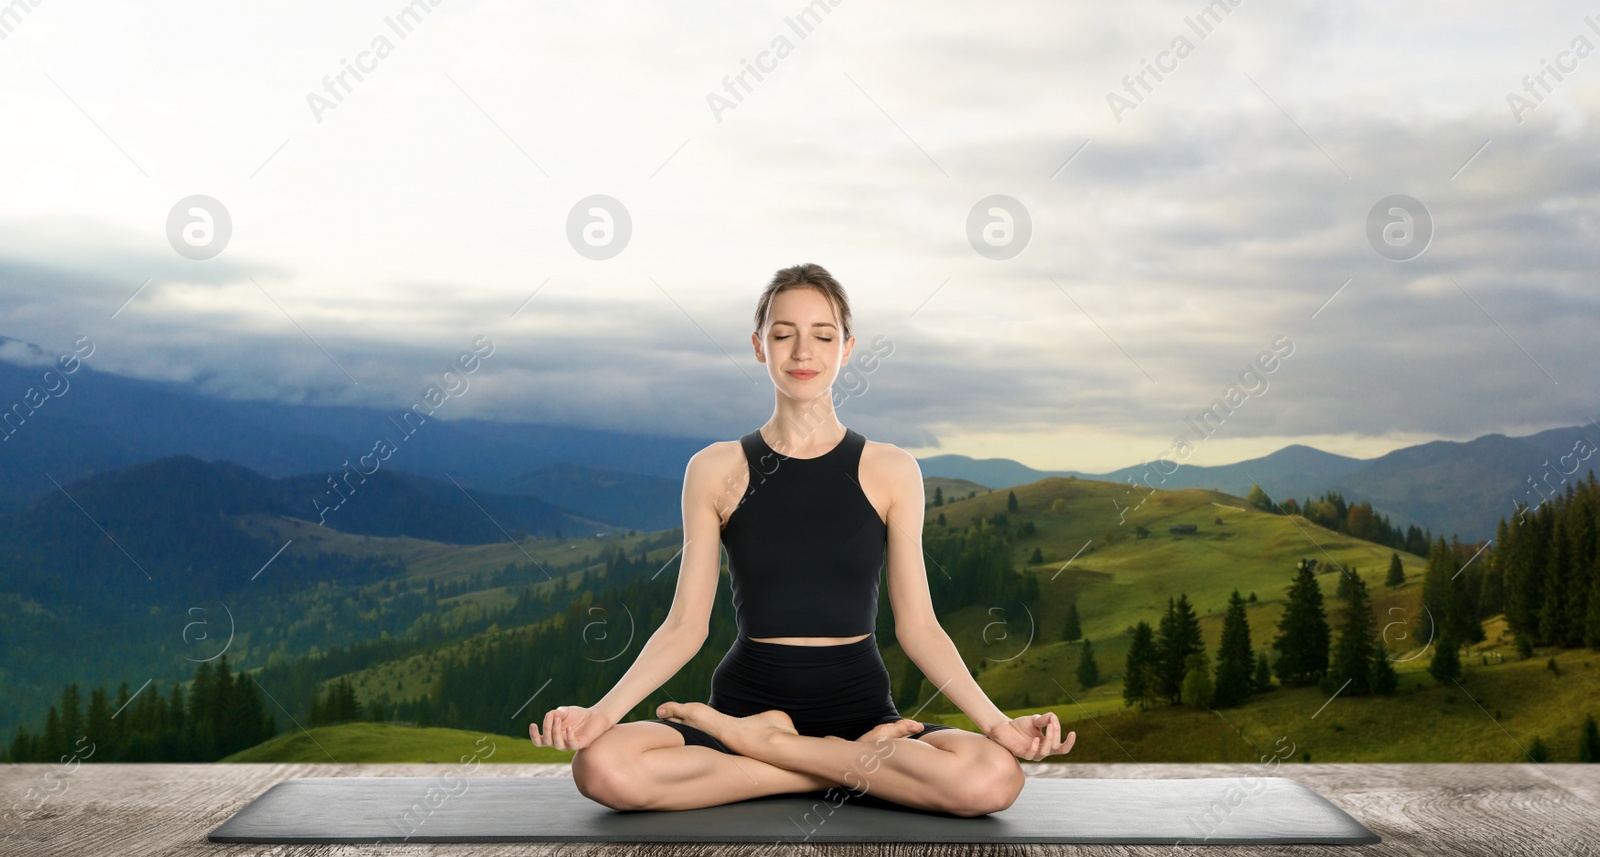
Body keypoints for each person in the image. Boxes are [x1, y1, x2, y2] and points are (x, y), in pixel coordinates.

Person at [530, 263, 1075, 815]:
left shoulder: (891, 469)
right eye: (783, 334)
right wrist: (601, 714)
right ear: (758, 346)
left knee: (992, 779)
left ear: (848, 347)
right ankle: (828, 767)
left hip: (862, 710)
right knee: (602, 766)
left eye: (823, 335)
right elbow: (685, 627)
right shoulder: (715, 468)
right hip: (748, 705)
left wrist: (998, 725)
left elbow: (919, 628)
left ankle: (774, 752)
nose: (801, 353)